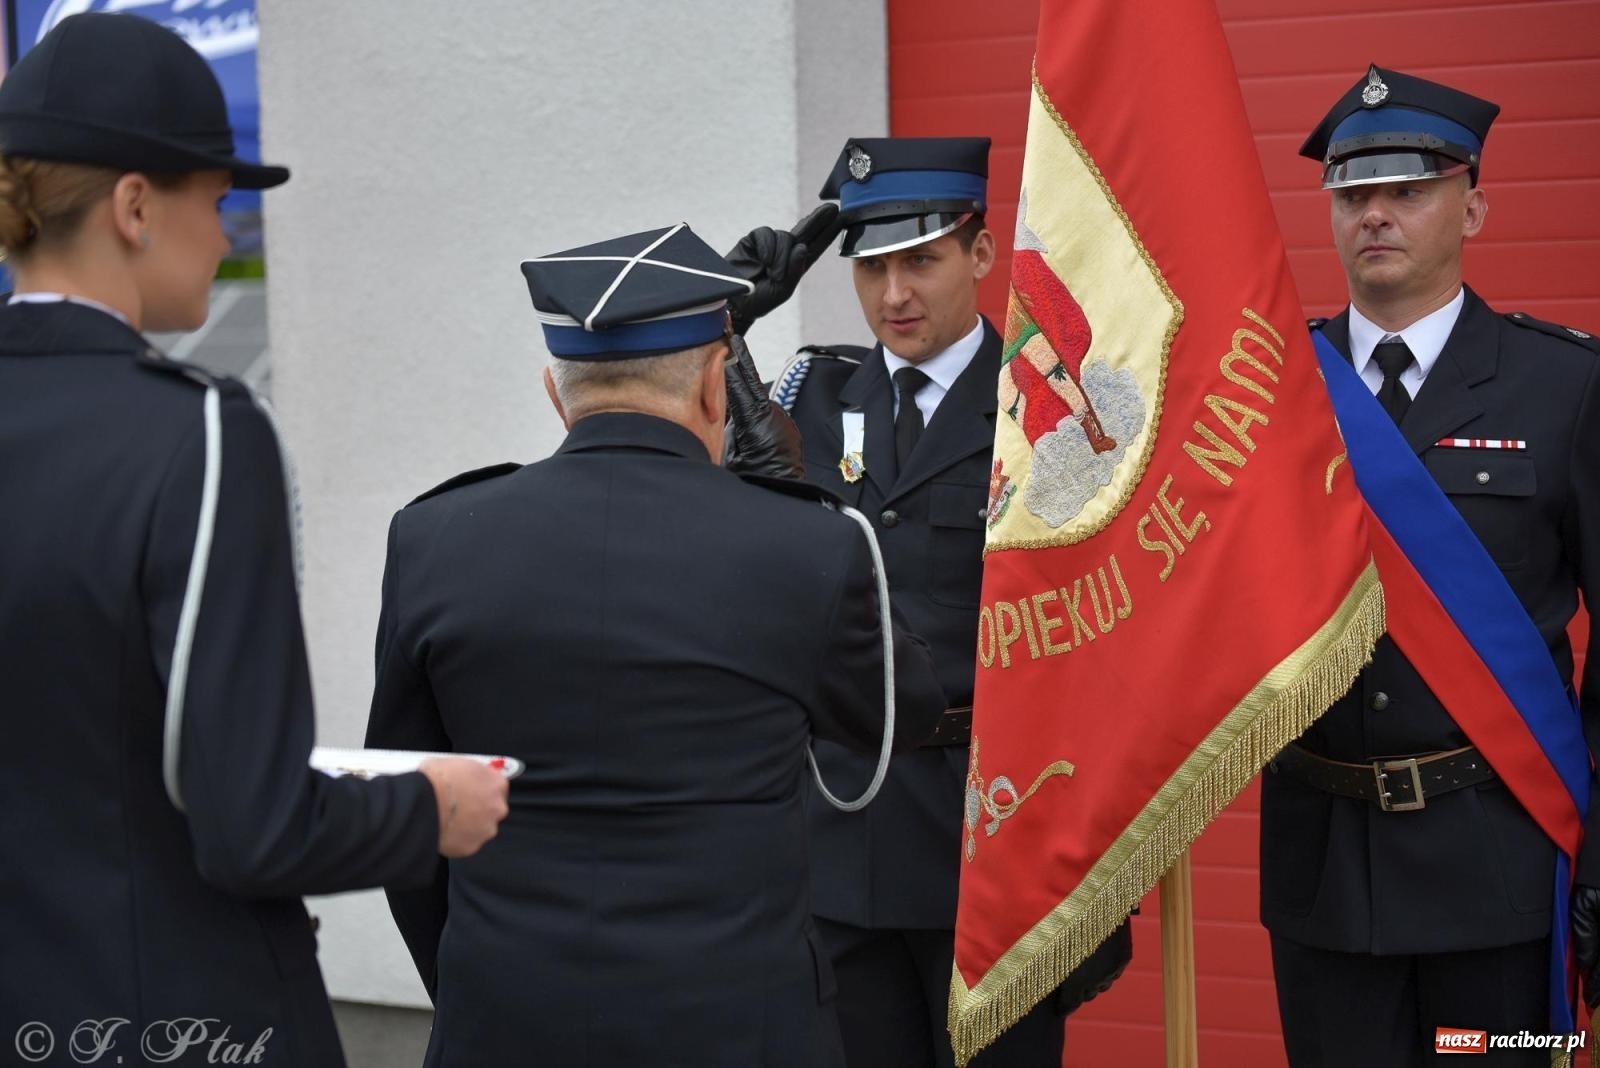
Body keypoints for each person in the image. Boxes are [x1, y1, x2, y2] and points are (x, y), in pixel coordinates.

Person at [0, 13, 509, 1067]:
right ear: (135, 205)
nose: (228, 232)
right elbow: (251, 824)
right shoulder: (198, 431)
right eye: (217, 197)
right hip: (184, 1017)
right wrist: (429, 810)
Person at [363, 222, 946, 1067]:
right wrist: (788, 489)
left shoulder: (433, 538)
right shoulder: (803, 545)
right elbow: (904, 711)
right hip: (740, 1029)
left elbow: (404, 822)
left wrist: (478, 982)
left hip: (507, 1018)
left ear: (557, 393)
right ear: (719, 386)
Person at [746, 136, 1130, 1068]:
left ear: (984, 254)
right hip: (844, 832)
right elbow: (715, 505)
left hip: (993, 834)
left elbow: (1106, 639)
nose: (894, 295)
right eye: (871, 266)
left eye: (922, 259)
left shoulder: (1050, 403)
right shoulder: (810, 393)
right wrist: (724, 315)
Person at [1261, 64, 1600, 1067]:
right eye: (1353, 194)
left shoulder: (1563, 387)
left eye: (1406, 191)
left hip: (1495, 874)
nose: (1374, 216)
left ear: (1474, 205)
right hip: (1322, 874)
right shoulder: (1268, 392)